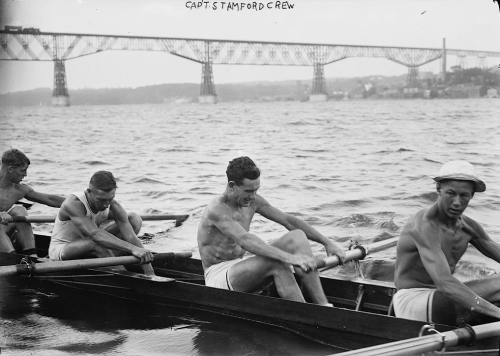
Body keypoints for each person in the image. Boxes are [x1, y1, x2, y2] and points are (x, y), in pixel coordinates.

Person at [197, 156, 346, 305]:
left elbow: (288, 220)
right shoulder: (217, 209)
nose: (253, 196)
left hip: (238, 267)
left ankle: (323, 306)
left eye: (256, 190)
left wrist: (327, 243)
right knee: (278, 262)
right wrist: (291, 258)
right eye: (248, 191)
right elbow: (245, 240)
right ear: (232, 185)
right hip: (217, 277)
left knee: (297, 237)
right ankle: (306, 315)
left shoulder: (252, 200)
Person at [394, 160, 500, 326]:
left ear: (472, 195)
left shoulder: (469, 227)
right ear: (438, 189)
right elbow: (445, 284)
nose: (457, 202)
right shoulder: (424, 225)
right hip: (412, 303)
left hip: (442, 300)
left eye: (464, 195)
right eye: (451, 193)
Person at [48, 170, 155, 275]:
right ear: (89, 192)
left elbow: (131, 238)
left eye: (110, 199)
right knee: (96, 242)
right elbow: (95, 235)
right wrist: (133, 249)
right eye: (101, 200)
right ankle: (124, 275)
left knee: (133, 219)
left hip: (90, 246)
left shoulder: (113, 206)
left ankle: (110, 262)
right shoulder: (73, 203)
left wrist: (150, 272)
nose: (106, 205)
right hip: (63, 250)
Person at [0, 148, 65, 257]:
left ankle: (32, 257)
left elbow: (50, 200)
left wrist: (80, 202)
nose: (25, 175)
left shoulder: (19, 190)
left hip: (3, 234)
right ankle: (12, 258)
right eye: (22, 171)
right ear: (10, 169)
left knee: (20, 210)